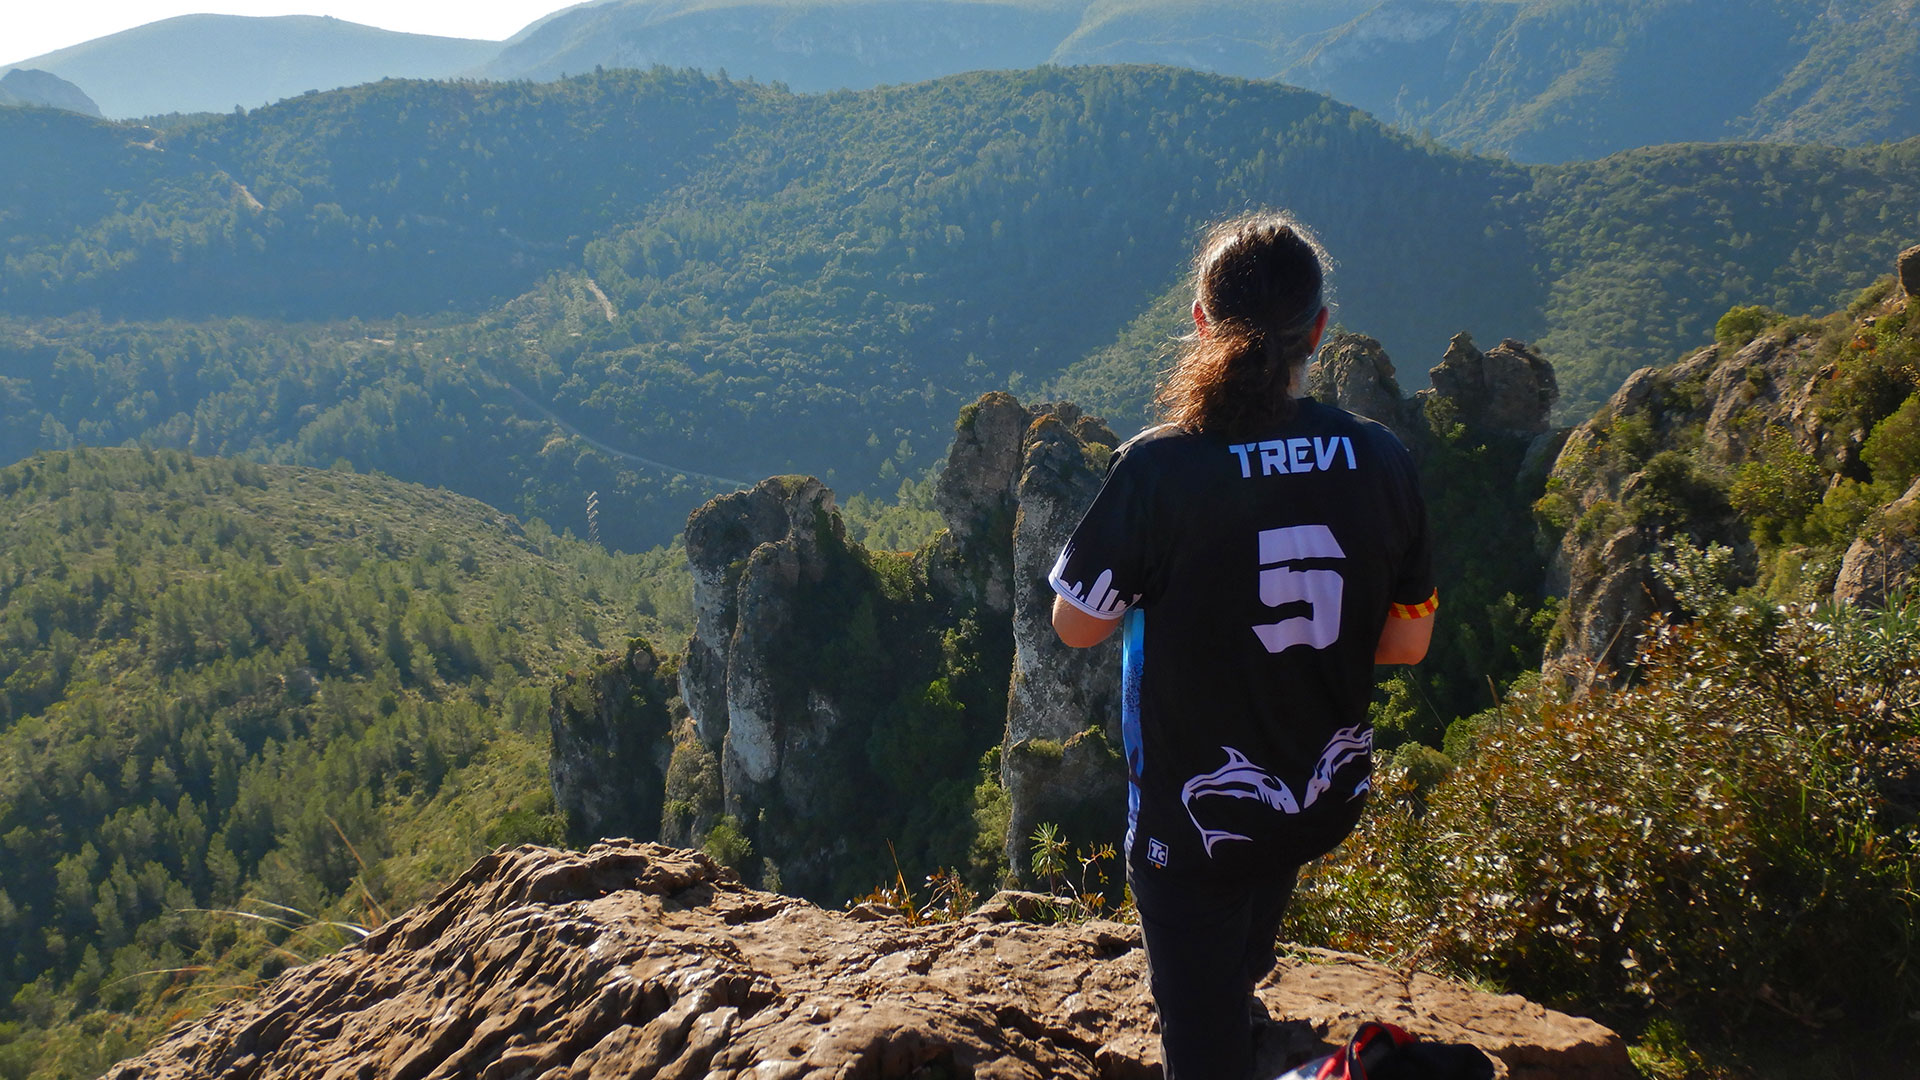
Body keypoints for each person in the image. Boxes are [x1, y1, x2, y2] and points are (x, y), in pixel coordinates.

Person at [1048, 210, 1437, 1080]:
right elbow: (1408, 644)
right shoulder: (1380, 458)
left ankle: (1221, 1028)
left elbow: (1076, 625)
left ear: (1198, 323)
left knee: (1199, 1031)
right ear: (1321, 333)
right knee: (1252, 917)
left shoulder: (1161, 468)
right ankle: (1241, 987)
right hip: (1317, 788)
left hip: (1194, 812)